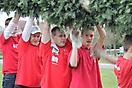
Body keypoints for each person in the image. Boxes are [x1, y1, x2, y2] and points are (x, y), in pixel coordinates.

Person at [39, 21, 72, 88]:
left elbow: (73, 31)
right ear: (53, 36)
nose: (63, 38)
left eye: (64, 36)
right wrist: (49, 15)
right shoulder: (47, 48)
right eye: (60, 36)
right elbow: (46, 29)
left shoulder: (68, 47)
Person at [14, 17, 42, 88]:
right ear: (29, 36)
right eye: (33, 36)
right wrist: (32, 15)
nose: (36, 39)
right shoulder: (24, 46)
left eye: (38, 36)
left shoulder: (41, 47)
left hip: (38, 85)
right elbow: (27, 28)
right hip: (22, 85)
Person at [0, 13, 21, 88]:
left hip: (21, 74)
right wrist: (18, 13)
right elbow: (10, 28)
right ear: (6, 27)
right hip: (10, 74)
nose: (15, 27)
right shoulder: (4, 39)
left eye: (16, 25)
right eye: (13, 26)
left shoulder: (19, 38)